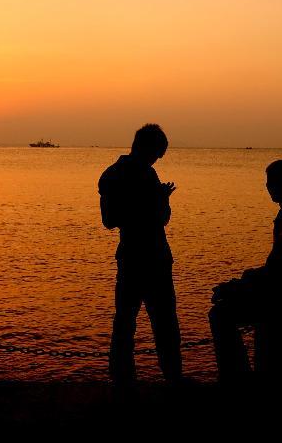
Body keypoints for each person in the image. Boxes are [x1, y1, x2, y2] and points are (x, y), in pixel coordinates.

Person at [209, 160, 282, 384]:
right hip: (281, 290)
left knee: (220, 314)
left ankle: (237, 378)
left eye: (273, 182)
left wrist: (241, 284)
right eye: (268, 182)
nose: (269, 187)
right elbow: (279, 267)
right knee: (224, 304)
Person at [98, 123, 182, 384]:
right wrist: (157, 200)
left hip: (140, 256)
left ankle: (130, 378)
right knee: (152, 322)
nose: (157, 160)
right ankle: (163, 378)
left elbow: (115, 219)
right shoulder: (128, 176)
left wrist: (159, 200)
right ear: (146, 148)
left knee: (135, 322)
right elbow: (114, 219)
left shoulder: (119, 175)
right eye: (156, 154)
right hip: (145, 257)